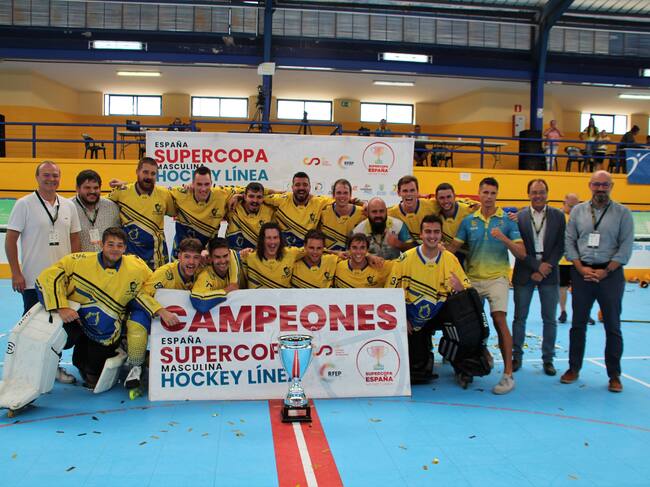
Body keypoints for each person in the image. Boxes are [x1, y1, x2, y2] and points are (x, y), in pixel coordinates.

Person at [34, 227, 155, 389]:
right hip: (76, 319)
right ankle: (53, 366)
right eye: (110, 244)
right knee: (59, 336)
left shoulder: (136, 267)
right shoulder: (78, 261)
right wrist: (61, 307)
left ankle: (119, 349)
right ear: (101, 245)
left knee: (93, 380)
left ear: (125, 248)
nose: (115, 249)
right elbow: (48, 277)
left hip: (106, 331)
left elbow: (154, 283)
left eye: (119, 245)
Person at [448, 177, 526, 394]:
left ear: (496, 195)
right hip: (472, 278)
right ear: (479, 194)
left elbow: (521, 253)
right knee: (468, 325)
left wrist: (504, 239)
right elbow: (452, 249)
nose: (489, 197)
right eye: (485, 192)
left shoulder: (508, 221)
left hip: (497, 278)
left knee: (499, 319)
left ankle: (508, 374)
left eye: (493, 193)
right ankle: (472, 363)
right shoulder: (468, 221)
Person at [561, 170, 634, 393]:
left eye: (605, 185)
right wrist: (580, 267)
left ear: (611, 186)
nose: (601, 188)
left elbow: (625, 247)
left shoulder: (623, 213)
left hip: (610, 275)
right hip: (582, 274)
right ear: (590, 185)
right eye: (597, 184)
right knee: (578, 325)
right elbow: (569, 241)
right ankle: (573, 368)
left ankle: (614, 375)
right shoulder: (578, 211)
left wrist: (606, 270)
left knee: (613, 326)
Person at [388, 215, 470, 384]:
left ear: (441, 234)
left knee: (465, 324)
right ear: (421, 234)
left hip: (440, 311)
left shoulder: (450, 259)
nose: (432, 236)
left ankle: (463, 365)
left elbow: (467, 291)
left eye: (436, 232)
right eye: (428, 232)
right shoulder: (405, 259)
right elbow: (390, 293)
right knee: (417, 368)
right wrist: (402, 318)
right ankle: (424, 358)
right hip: (414, 317)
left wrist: (461, 289)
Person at [126, 237, 206, 388]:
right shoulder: (165, 273)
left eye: (196, 257)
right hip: (158, 315)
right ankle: (136, 366)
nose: (191, 262)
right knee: (137, 321)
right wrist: (161, 311)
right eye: (187, 256)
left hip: (184, 321)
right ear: (179, 256)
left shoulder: (203, 270)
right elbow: (141, 295)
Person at [6, 161, 81, 316]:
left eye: (55, 175)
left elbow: (74, 239)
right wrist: (16, 273)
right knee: (32, 322)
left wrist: (74, 272)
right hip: (33, 278)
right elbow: (10, 240)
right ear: (37, 177)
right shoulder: (24, 204)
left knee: (65, 322)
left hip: (62, 278)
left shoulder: (69, 205)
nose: (51, 179)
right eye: (46, 175)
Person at [511, 179, 565, 376]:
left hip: (549, 273)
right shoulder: (519, 217)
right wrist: (536, 267)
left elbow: (560, 245)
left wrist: (544, 269)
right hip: (525, 271)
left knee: (549, 319)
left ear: (547, 193)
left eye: (541, 192)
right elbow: (518, 248)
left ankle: (548, 359)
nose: (538, 196)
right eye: (534, 192)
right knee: (519, 318)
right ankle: (516, 356)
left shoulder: (558, 216)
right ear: (528, 194)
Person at [108, 157, 175, 270]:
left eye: (153, 173)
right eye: (145, 172)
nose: (149, 177)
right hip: (129, 259)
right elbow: (100, 203)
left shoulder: (164, 194)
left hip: (157, 260)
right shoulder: (121, 192)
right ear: (137, 172)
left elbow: (178, 210)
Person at [169, 166, 237, 258]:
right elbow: (159, 194)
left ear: (211, 183)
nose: (203, 189)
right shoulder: (180, 193)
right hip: (181, 255)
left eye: (206, 184)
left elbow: (249, 190)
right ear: (193, 184)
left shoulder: (221, 194)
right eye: (199, 184)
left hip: (207, 255)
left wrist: (238, 196)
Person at [264, 172, 333, 247]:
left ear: (310, 187)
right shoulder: (281, 200)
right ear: (292, 187)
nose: (301, 188)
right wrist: (273, 191)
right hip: (285, 251)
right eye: (297, 185)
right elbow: (256, 193)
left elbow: (340, 199)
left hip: (308, 252)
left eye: (305, 185)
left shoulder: (319, 202)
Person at [241, 222, 304, 289]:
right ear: (262, 240)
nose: (272, 242)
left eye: (275, 237)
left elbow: (310, 248)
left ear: (280, 239)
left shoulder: (291, 253)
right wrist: (242, 253)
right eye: (268, 238)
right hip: (256, 296)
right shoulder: (248, 257)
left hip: (284, 295)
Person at [191, 237, 245, 312]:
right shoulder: (205, 275)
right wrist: (226, 290)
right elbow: (199, 303)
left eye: (225, 256)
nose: (222, 261)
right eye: (217, 257)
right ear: (210, 258)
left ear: (229, 254)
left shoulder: (238, 258)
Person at [72, 169, 120, 252]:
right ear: (77, 188)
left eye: (96, 188)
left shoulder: (112, 207)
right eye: (87, 188)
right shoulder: (69, 207)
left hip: (106, 259)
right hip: (79, 259)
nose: (92, 191)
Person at [434, 183, 478, 267]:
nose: (446, 201)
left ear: (454, 196)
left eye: (449, 197)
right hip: (452, 251)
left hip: (472, 253)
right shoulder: (434, 212)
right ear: (436, 199)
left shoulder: (469, 210)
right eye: (442, 198)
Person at [558, 193, 585, 324]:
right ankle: (563, 311)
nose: (574, 209)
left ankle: (582, 313)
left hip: (578, 260)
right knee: (562, 287)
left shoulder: (582, 218)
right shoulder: (558, 217)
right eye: (571, 206)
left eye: (576, 206)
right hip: (561, 261)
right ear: (564, 203)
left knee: (580, 289)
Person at [388, 175, 438, 243]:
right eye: (405, 191)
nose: (409, 194)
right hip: (408, 248)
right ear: (399, 193)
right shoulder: (391, 213)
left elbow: (449, 202)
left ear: (418, 192)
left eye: (412, 190)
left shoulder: (432, 205)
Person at [225, 182, 275, 251]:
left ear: (263, 198)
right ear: (245, 196)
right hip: (233, 255)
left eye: (259, 197)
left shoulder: (270, 210)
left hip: (258, 256)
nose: (255, 200)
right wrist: (236, 196)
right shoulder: (233, 205)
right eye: (251, 196)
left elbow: (285, 196)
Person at [319, 179, 365, 251]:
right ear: (333, 195)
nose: (342, 196)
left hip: (353, 257)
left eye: (345, 193)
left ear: (350, 195)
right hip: (328, 256)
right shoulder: (324, 212)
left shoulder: (362, 213)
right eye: (339, 193)